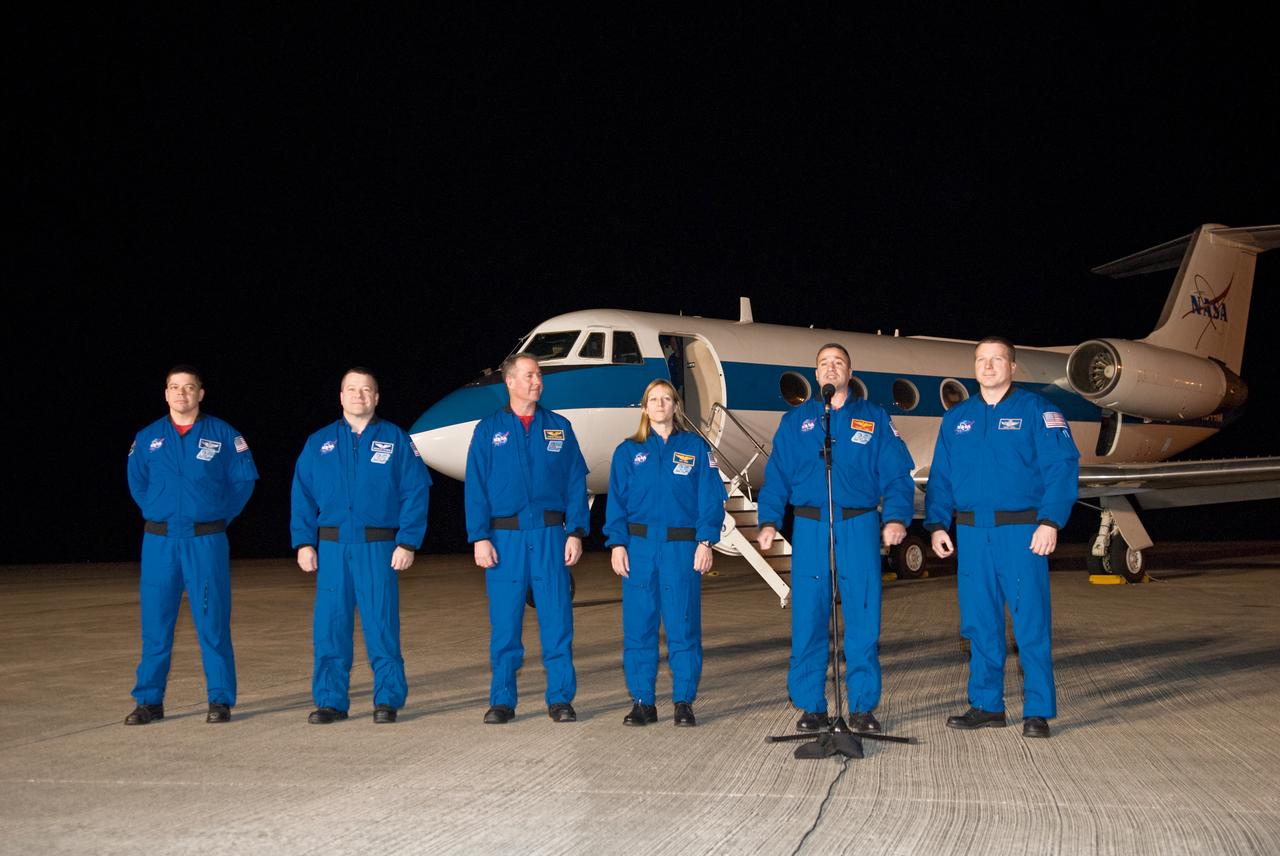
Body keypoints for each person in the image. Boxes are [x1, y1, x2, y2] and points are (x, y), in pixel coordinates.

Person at [924, 336, 1079, 739]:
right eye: (981, 360)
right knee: (979, 623)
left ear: (1013, 367)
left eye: (997, 360)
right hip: (972, 533)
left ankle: (1038, 709)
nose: (988, 366)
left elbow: (1062, 467)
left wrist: (1050, 521)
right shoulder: (957, 419)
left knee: (1030, 622)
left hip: (1022, 532)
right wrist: (938, 524)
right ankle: (987, 704)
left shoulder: (1038, 411)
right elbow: (940, 477)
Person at [756, 344, 915, 734]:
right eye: (824, 364)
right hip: (810, 526)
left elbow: (897, 476)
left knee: (862, 616)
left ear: (849, 371)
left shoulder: (874, 419)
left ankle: (861, 706)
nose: (831, 369)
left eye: (838, 363)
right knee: (809, 616)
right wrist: (768, 521)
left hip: (857, 524)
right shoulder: (796, 422)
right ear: (816, 374)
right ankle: (811, 705)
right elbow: (776, 477)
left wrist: (895, 518)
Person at [290, 368, 431, 725]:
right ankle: (330, 700)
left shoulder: (396, 440)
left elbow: (416, 492)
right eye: (351, 389)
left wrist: (408, 542)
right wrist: (304, 542)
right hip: (333, 548)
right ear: (341, 397)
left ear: (376, 397)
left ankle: (387, 698)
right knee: (330, 627)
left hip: (378, 548)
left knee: (381, 625)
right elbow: (302, 496)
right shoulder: (318, 443)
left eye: (366, 390)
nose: (359, 395)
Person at [125, 365, 258, 725]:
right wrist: (161, 511)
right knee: (156, 624)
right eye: (174, 387)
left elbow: (243, 482)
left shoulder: (224, 435)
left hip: (205, 541)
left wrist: (214, 517)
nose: (181, 394)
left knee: (212, 621)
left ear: (201, 393)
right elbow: (138, 484)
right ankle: (149, 701)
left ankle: (219, 699)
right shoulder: (148, 437)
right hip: (159, 542)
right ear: (166, 394)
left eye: (189, 387)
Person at [465, 353, 590, 724]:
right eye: (530, 375)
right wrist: (479, 537)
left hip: (551, 536)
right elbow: (476, 488)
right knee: (505, 624)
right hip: (504, 541)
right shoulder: (488, 430)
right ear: (511, 381)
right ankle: (502, 700)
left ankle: (561, 698)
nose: (537, 381)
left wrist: (576, 531)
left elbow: (575, 483)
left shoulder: (559, 427)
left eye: (538, 375)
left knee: (557, 621)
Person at [603, 379, 727, 727]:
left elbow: (710, 498)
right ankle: (643, 701)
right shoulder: (627, 452)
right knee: (639, 628)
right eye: (653, 399)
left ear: (676, 406)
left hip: (682, 549)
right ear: (644, 407)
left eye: (666, 399)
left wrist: (705, 542)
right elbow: (616, 504)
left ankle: (683, 700)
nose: (660, 404)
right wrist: (617, 545)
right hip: (640, 549)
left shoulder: (696, 449)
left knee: (682, 626)